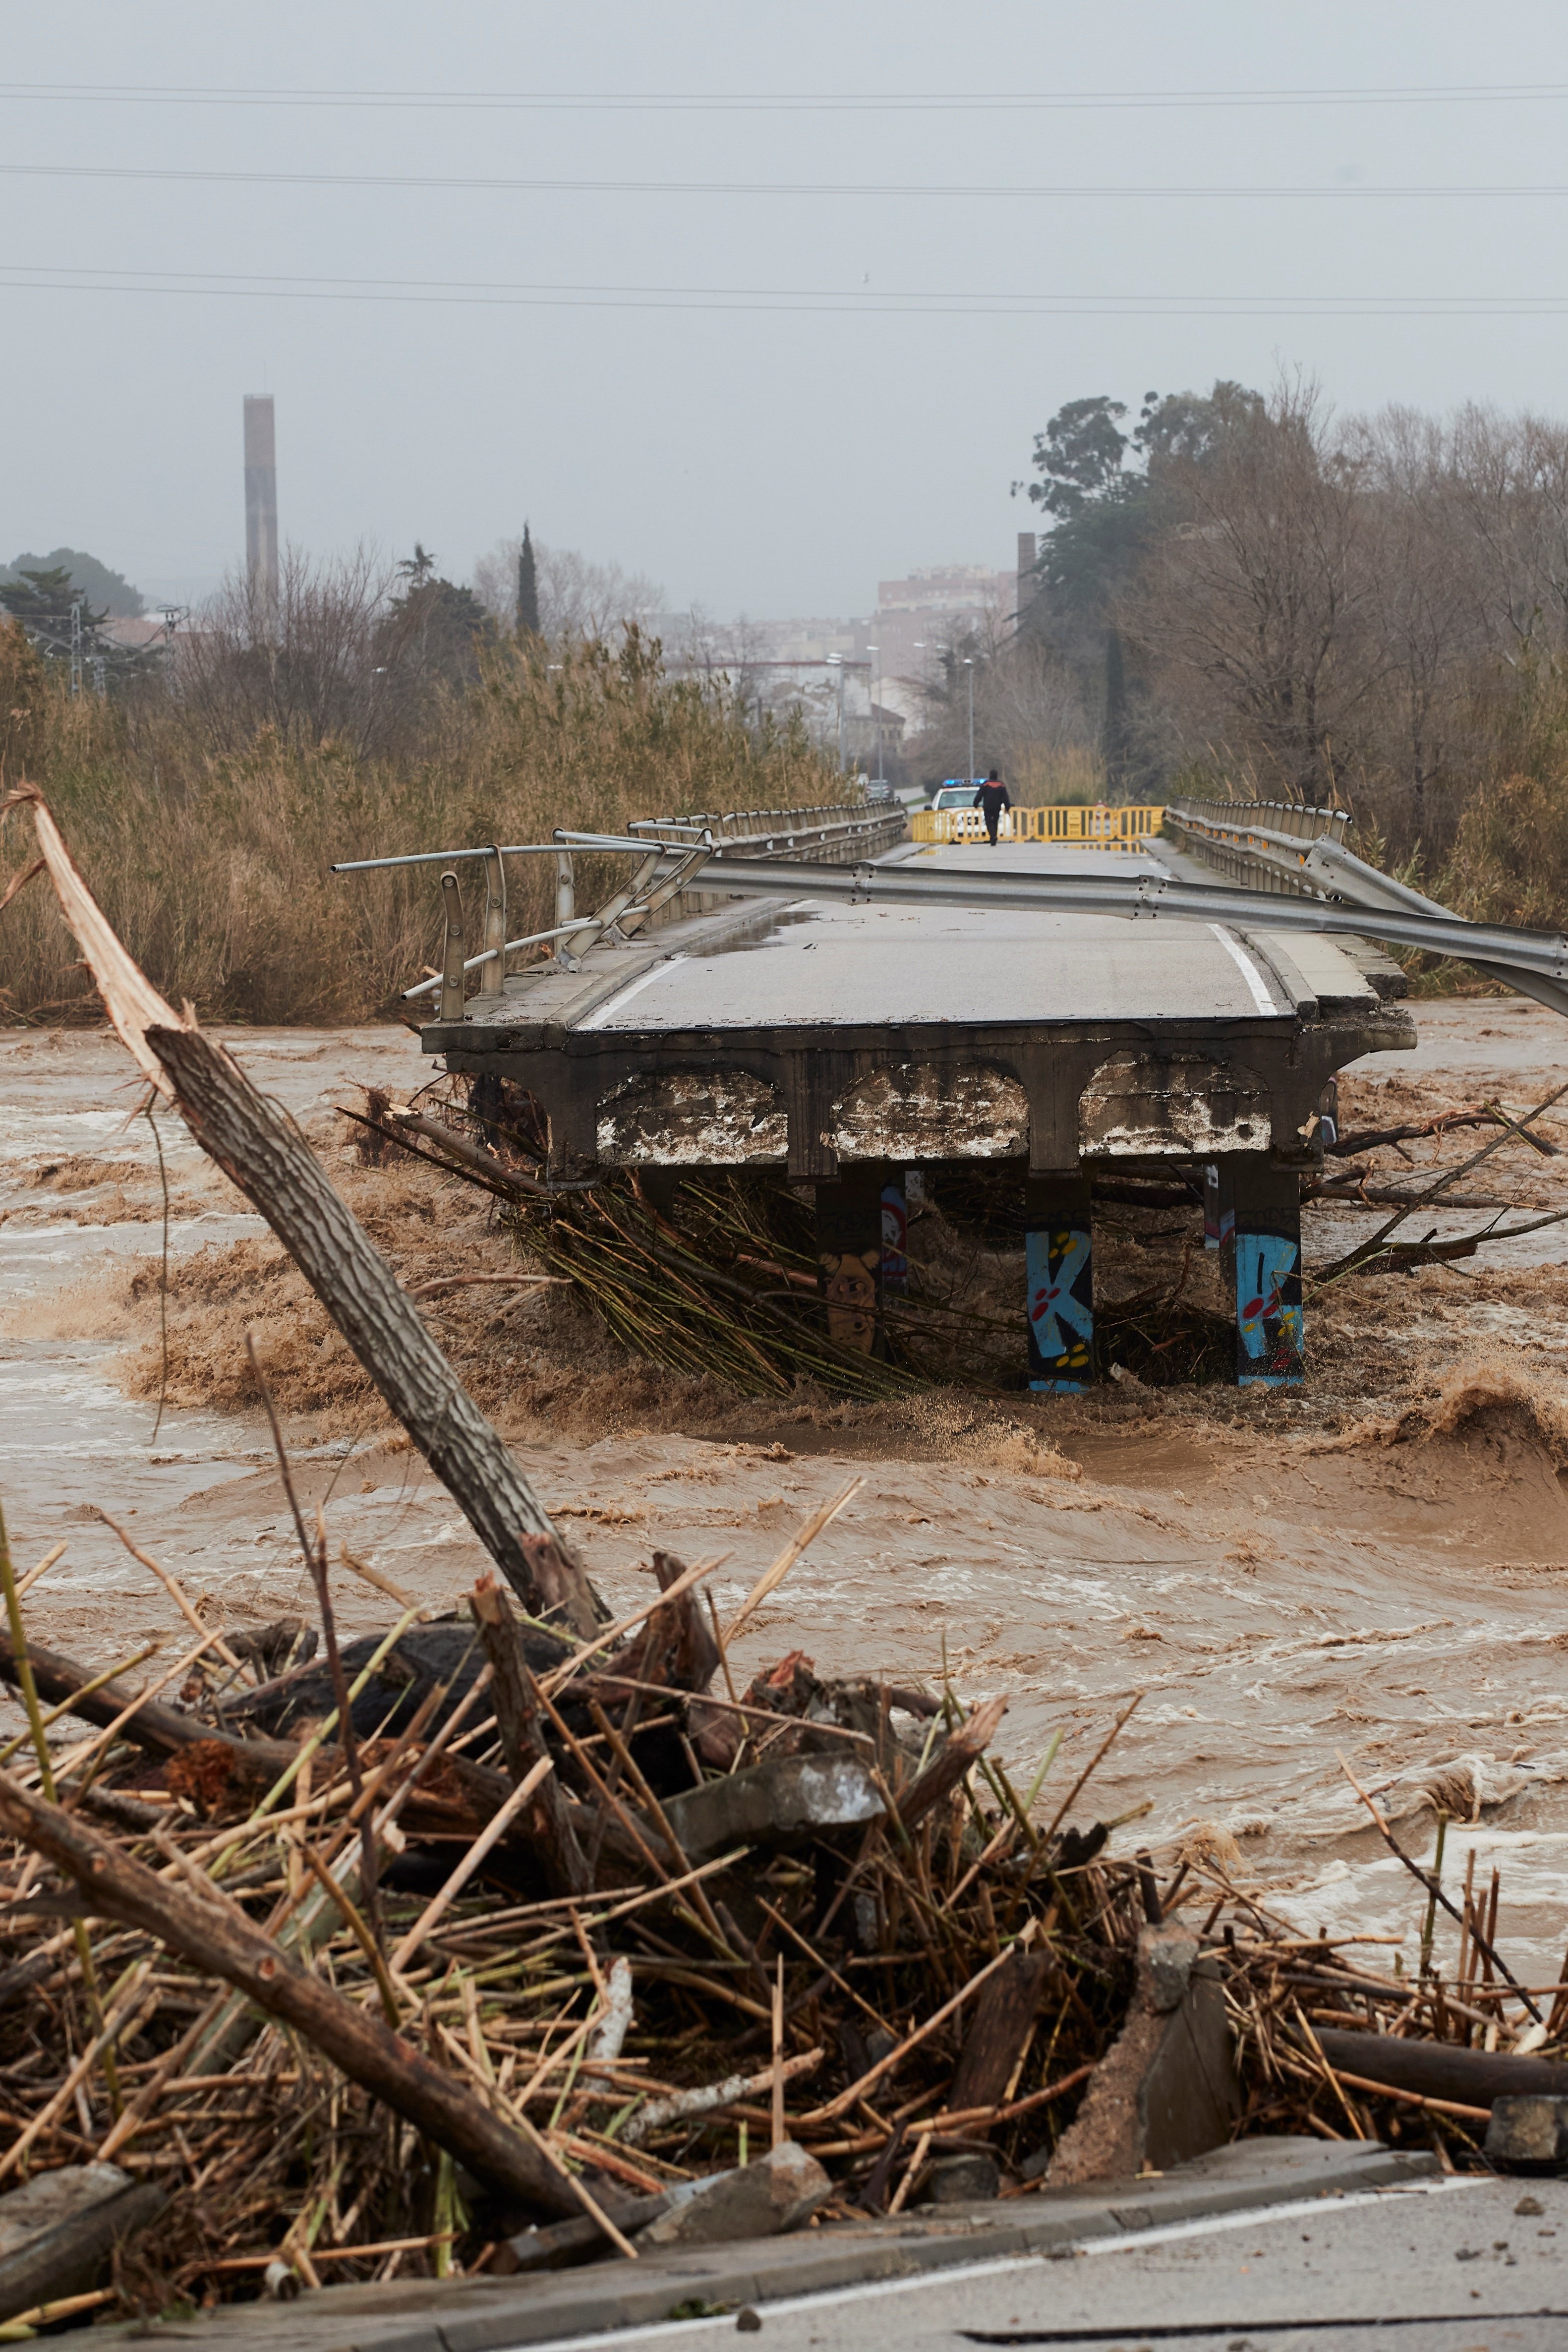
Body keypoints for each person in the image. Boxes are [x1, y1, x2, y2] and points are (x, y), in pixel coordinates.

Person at [973, 767, 1011, 846]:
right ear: (997, 776)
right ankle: (994, 837)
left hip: (987, 807)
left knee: (989, 822)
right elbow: (1005, 797)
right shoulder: (1001, 785)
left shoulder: (986, 784)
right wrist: (1007, 807)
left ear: (990, 775)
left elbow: (979, 795)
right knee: (995, 822)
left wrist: (976, 804)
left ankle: (993, 836)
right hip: (997, 807)